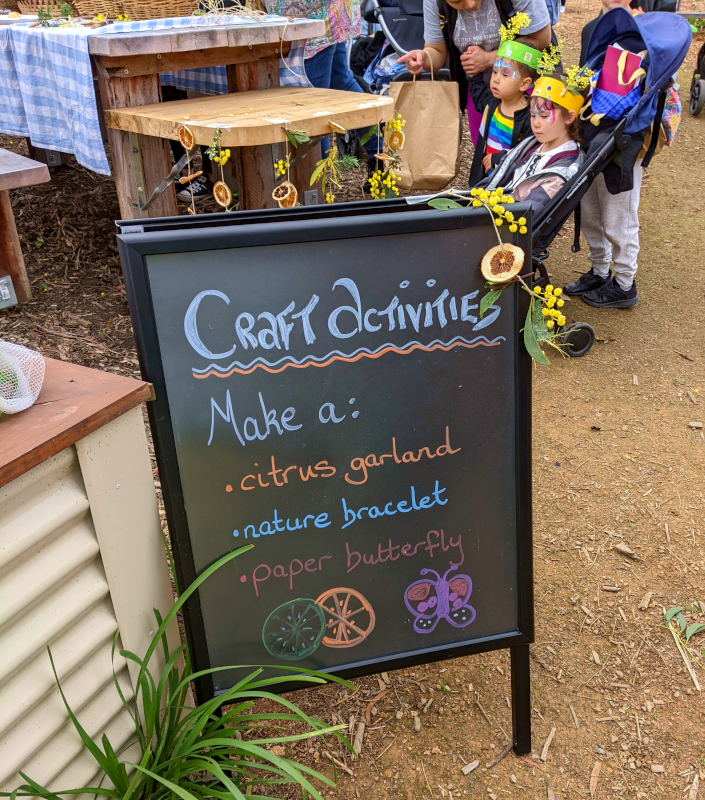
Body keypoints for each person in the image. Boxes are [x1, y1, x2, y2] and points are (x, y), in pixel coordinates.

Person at [566, 0, 644, 308]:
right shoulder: (592, 30)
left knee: (619, 216)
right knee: (590, 210)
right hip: (592, 135)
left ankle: (624, 283)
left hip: (625, 141)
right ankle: (599, 270)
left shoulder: (646, 34)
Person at [398, 0, 551, 146]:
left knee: (530, 147)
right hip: (481, 88)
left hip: (524, 83)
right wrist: (424, 57)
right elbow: (436, 50)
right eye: (456, 2)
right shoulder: (434, 2)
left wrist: (489, 59)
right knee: (485, 147)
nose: (471, 4)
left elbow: (541, 39)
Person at [478, 70, 586, 215]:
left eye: (544, 116)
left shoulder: (562, 169)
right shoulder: (532, 144)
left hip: (505, 219)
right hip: (491, 207)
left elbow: (532, 211)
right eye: (532, 115)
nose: (535, 123)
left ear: (569, 117)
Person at [467, 16, 540, 186]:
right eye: (494, 72)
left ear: (525, 84)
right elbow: (477, 93)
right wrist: (473, 72)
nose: (496, 79)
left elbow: (528, 152)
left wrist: (498, 159)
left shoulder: (529, 117)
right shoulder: (492, 104)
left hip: (508, 185)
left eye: (505, 74)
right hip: (483, 179)